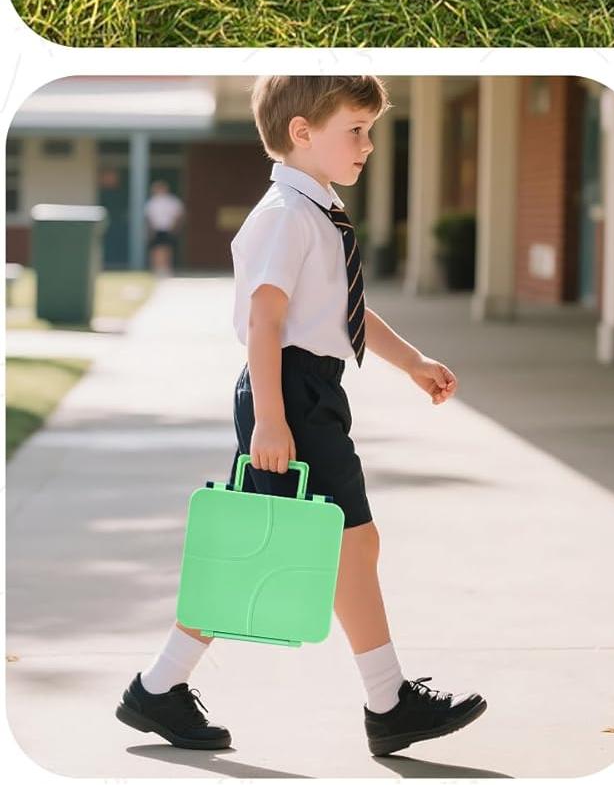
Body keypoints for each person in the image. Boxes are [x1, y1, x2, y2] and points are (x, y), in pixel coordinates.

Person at [116, 76, 483, 756]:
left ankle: (160, 686)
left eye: (371, 131)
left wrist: (412, 362)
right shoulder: (286, 214)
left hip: (309, 389)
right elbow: (267, 320)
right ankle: (388, 701)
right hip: (288, 391)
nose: (369, 145)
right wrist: (271, 419)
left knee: (287, 544)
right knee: (342, 541)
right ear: (302, 132)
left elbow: (344, 311)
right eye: (356, 130)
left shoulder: (317, 211)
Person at [144, 180, 185, 277]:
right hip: (156, 229)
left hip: (168, 228)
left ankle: (167, 270)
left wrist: (175, 227)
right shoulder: (152, 202)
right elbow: (148, 217)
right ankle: (156, 270)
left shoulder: (172, 201)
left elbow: (179, 214)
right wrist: (150, 229)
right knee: (156, 250)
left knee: (167, 249)